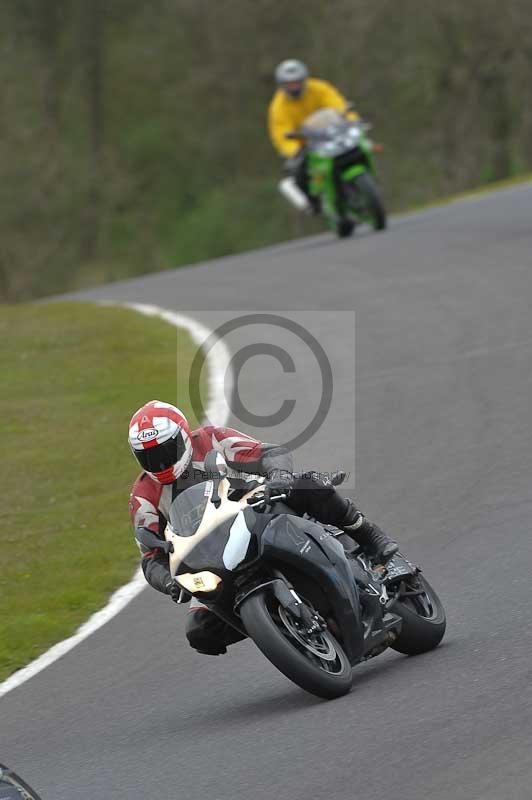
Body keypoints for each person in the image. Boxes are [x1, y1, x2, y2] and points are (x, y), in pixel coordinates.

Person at [128, 400, 397, 656]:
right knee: (200, 631)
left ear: (184, 437)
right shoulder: (144, 495)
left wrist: (278, 477)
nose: (160, 463)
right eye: (149, 457)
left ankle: (369, 535)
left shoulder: (211, 440)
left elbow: (267, 452)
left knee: (309, 484)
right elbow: (150, 555)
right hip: (210, 555)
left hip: (259, 509)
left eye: (165, 451)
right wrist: (168, 582)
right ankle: (282, 632)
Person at [268, 59, 359, 212]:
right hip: (306, 144)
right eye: (289, 83)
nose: (294, 86)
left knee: (358, 144)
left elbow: (337, 104)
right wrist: (293, 150)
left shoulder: (319, 88)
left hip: (331, 133)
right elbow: (280, 133)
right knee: (299, 171)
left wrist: (350, 120)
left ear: (304, 80)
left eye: (297, 82)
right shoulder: (278, 107)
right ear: (282, 85)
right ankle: (314, 203)